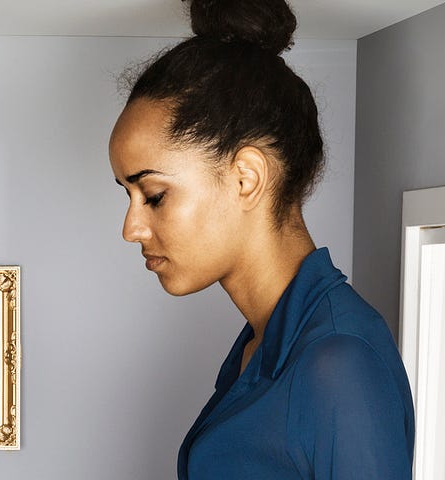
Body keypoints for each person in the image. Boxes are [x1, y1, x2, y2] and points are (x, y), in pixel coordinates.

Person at [107, 0, 414, 478]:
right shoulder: (263, 344)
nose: (131, 229)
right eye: (129, 195)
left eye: (155, 195)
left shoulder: (339, 364)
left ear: (246, 178)